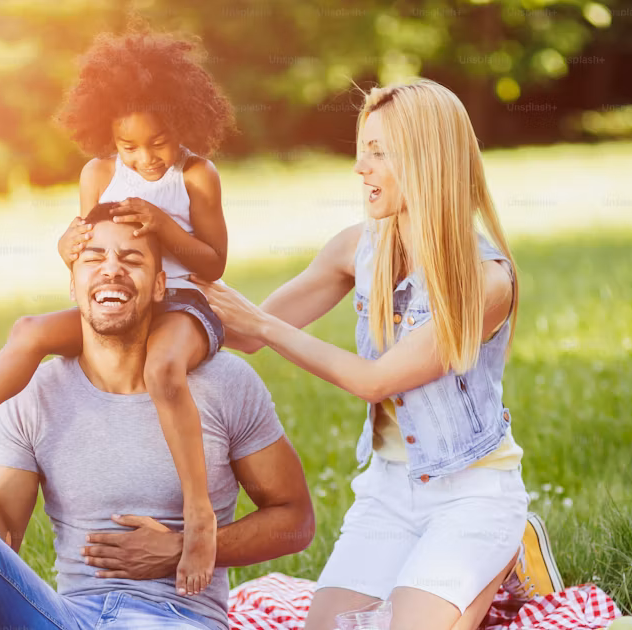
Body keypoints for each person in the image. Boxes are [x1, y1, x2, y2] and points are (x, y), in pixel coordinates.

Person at [193, 79, 561, 630]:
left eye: (379, 152)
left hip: (472, 495)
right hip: (388, 491)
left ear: (426, 159)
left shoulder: (486, 280)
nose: (360, 168)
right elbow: (243, 334)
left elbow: (376, 380)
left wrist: (263, 325)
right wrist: (163, 268)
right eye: (361, 150)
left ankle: (509, 545)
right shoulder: (356, 248)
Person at [0, 29, 236, 596]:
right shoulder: (97, 175)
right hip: (123, 297)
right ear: (108, 137)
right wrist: (66, 248)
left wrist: (166, 228)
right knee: (30, 331)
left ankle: (199, 513)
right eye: (129, 147)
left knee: (162, 370)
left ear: (184, 124)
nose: (144, 159)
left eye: (158, 143)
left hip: (184, 300)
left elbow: (214, 262)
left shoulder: (195, 176)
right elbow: (92, 255)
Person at [0, 207, 314, 629]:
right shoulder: (32, 392)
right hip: (66, 616)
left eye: (131, 259)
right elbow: (0, 543)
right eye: (93, 258)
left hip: (174, 617)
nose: (111, 270)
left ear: (160, 286)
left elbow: (295, 520)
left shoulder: (224, 383)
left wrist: (183, 547)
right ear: (73, 284)